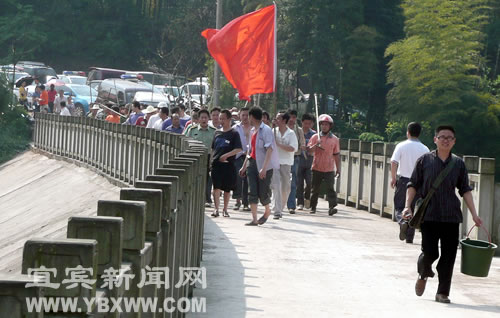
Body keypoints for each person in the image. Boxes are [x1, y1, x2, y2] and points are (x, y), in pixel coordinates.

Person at [404, 125, 482, 304]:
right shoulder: (424, 160)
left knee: (449, 256)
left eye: (449, 138)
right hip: (429, 215)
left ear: (454, 142)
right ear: (435, 140)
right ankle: (423, 273)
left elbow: (465, 190)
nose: (445, 140)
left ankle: (442, 292)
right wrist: (408, 206)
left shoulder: (458, 164)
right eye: (442, 137)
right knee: (430, 252)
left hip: (451, 216)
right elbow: (413, 184)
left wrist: (475, 214)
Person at [239, 106, 279, 226]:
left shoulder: (266, 130)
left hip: (264, 166)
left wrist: (264, 168)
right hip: (252, 164)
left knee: (263, 193)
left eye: (248, 116)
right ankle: (254, 219)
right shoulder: (252, 131)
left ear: (252, 117)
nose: (247, 119)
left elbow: (269, 149)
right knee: (252, 191)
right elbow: (250, 151)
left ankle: (267, 211)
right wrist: (244, 166)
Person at [390, 122, 430, 244]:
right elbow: (428, 168)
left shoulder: (401, 146)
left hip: (403, 180)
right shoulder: (425, 149)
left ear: (408, 132)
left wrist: (393, 178)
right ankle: (409, 238)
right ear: (419, 133)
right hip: (419, 183)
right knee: (413, 209)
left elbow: (394, 162)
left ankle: (403, 222)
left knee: (399, 206)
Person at [210, 109, 243, 217]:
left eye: (223, 118)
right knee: (216, 187)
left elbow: (238, 149)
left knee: (227, 189)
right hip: (216, 164)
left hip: (228, 164)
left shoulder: (234, 133)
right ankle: (216, 209)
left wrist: (227, 155)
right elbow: (213, 149)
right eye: (220, 118)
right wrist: (211, 162)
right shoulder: (217, 132)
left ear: (229, 119)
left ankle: (225, 209)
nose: (221, 121)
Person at [307, 114, 340, 216]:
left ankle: (332, 207)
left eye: (326, 124)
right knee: (315, 188)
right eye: (322, 124)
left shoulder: (335, 139)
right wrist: (316, 144)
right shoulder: (315, 137)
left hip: (329, 168)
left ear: (330, 126)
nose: (324, 126)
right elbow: (309, 151)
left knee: (330, 188)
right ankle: (313, 207)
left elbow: (336, 155)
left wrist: (338, 168)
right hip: (317, 166)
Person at [185, 109, 217, 206]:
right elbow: (186, 142)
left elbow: (215, 146)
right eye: (202, 117)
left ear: (208, 119)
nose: (204, 119)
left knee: (208, 179)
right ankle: (195, 197)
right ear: (198, 119)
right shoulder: (192, 130)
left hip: (208, 157)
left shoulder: (214, 131)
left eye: (205, 118)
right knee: (195, 177)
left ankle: (207, 198)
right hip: (195, 157)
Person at [271, 111, 298, 219]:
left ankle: (281, 206)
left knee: (286, 188)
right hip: (275, 162)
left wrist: (279, 145)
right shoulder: (273, 131)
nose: (276, 120)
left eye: (278, 118)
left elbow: (293, 148)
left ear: (284, 121)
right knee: (276, 185)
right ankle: (277, 210)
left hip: (286, 163)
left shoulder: (291, 133)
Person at [232, 107, 251, 211]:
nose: (245, 117)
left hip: (250, 156)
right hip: (238, 155)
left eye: (247, 115)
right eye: (243, 115)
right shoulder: (235, 128)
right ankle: (237, 200)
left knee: (248, 179)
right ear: (239, 115)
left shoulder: (254, 128)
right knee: (238, 177)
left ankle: (246, 202)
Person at [286, 109, 306, 214]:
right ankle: (278, 204)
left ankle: (291, 205)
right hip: (283, 158)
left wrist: (303, 146)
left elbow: (302, 143)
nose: (291, 119)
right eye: (290, 117)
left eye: (294, 117)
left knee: (293, 182)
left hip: (295, 158)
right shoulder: (280, 129)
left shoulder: (299, 131)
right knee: (280, 182)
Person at [297, 113, 316, 210]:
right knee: (299, 182)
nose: (307, 125)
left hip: (310, 160)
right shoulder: (297, 132)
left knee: (310, 182)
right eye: (305, 123)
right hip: (299, 159)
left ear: (312, 124)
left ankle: (307, 197)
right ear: (302, 122)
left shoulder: (314, 134)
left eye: (309, 123)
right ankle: (300, 202)